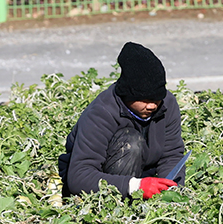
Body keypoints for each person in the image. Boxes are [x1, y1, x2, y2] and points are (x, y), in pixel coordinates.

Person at [59, 42, 186, 198]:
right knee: (132, 143)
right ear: (127, 93)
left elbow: (171, 155)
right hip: (99, 188)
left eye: (157, 98)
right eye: (145, 99)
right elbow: (79, 176)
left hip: (143, 180)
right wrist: (136, 187)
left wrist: (170, 193)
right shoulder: (101, 112)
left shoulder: (167, 104)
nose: (152, 105)